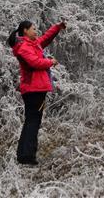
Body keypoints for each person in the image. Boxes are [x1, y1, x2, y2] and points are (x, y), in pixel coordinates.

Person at [6, 19, 66, 166]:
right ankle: (27, 157)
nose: (36, 30)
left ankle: (24, 156)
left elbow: (45, 38)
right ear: (25, 30)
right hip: (33, 90)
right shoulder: (24, 47)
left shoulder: (32, 44)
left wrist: (57, 27)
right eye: (33, 28)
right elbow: (35, 63)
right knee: (33, 122)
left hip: (36, 89)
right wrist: (50, 62)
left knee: (31, 121)